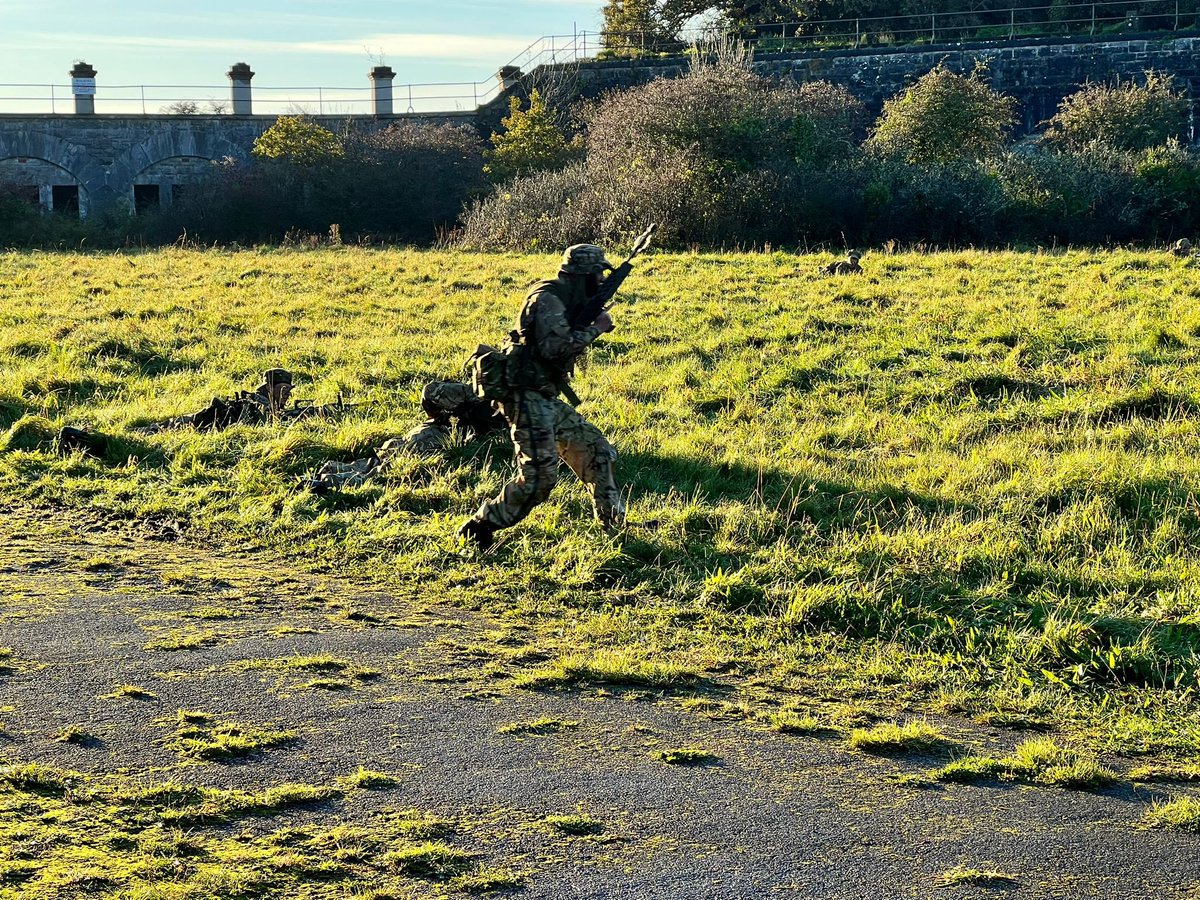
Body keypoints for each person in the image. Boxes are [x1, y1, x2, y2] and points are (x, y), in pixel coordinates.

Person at [457, 245, 625, 549]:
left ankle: (614, 527)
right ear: (582, 276)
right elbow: (554, 349)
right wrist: (597, 328)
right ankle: (480, 525)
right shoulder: (547, 299)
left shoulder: (570, 298)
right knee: (538, 481)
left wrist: (589, 315)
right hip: (525, 398)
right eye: (597, 273)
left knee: (597, 451)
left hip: (544, 396)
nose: (601, 279)